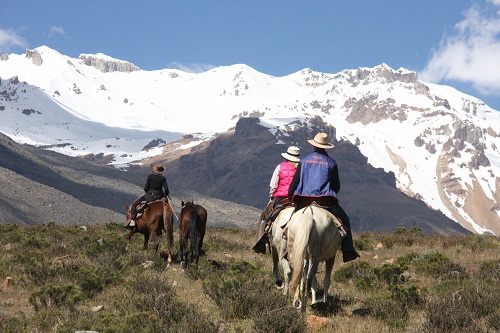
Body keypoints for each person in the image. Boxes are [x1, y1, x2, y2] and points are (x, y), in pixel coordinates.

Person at [287, 132, 360, 263]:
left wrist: (291, 196)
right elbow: (336, 186)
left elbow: (295, 181)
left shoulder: (303, 160)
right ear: (325, 147)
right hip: (324, 200)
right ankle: (348, 250)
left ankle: (288, 249)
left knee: (290, 223)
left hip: (304, 200)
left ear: (314, 146)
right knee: (345, 220)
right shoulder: (331, 163)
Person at [253, 146, 300, 254]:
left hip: (282, 197)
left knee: (265, 216)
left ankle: (261, 241)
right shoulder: (301, 168)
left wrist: (272, 197)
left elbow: (273, 185)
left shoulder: (280, 167)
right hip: (297, 198)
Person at [125, 163, 170, 229]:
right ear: (161, 171)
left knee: (134, 204)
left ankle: (132, 220)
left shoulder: (150, 176)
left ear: (154, 170)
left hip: (149, 196)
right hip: (160, 196)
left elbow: (145, 188)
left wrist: (148, 192)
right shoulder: (163, 178)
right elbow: (166, 189)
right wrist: (166, 195)